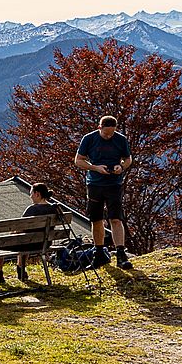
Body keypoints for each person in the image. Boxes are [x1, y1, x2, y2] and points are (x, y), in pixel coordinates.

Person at [74, 115, 133, 269]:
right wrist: (95, 168)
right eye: (106, 133)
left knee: (116, 219)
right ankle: (99, 253)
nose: (108, 136)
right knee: (96, 219)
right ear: (99, 128)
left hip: (114, 184)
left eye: (111, 133)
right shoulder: (89, 139)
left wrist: (121, 167)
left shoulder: (120, 139)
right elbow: (78, 160)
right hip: (95, 183)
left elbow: (128, 159)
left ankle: (121, 253)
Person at [0, 182, 62, 282]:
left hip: (28, 244)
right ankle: (21, 271)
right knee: (26, 239)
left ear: (37, 194)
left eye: (31, 193)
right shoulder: (54, 209)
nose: (30, 196)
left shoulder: (32, 209)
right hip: (44, 243)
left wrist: (13, 233)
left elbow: (20, 227)